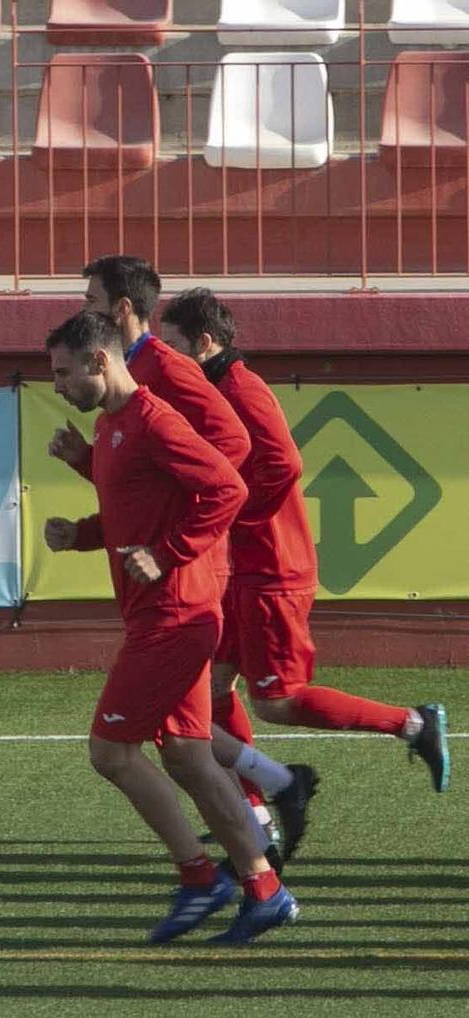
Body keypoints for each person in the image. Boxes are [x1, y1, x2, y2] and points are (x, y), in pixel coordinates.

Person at [41, 310, 297, 944]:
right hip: (166, 613)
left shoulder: (153, 419)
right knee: (187, 753)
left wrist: (172, 554)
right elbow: (141, 511)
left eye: (63, 372)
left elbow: (226, 489)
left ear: (100, 360)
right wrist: (83, 535)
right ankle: (264, 891)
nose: (58, 385)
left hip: (176, 615)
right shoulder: (114, 429)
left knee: (110, 752)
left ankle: (198, 878)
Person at [158, 288, 447, 816]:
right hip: (240, 568)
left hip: (271, 568)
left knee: (277, 702)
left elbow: (284, 465)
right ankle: (255, 811)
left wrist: (232, 516)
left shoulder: (242, 389)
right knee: (210, 686)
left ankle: (413, 724)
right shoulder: (213, 388)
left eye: (171, 344)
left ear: (203, 342)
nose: (163, 353)